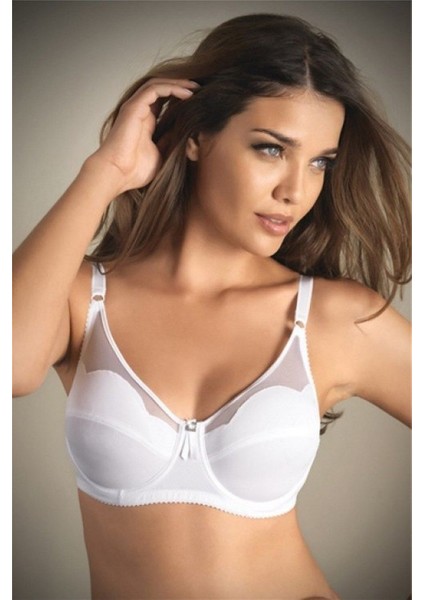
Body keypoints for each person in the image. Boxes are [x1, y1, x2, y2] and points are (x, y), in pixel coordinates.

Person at [12, 12, 411, 600]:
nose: (295, 191)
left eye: (320, 162)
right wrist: (106, 172)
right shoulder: (82, 296)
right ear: (197, 137)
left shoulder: (335, 317)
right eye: (271, 149)